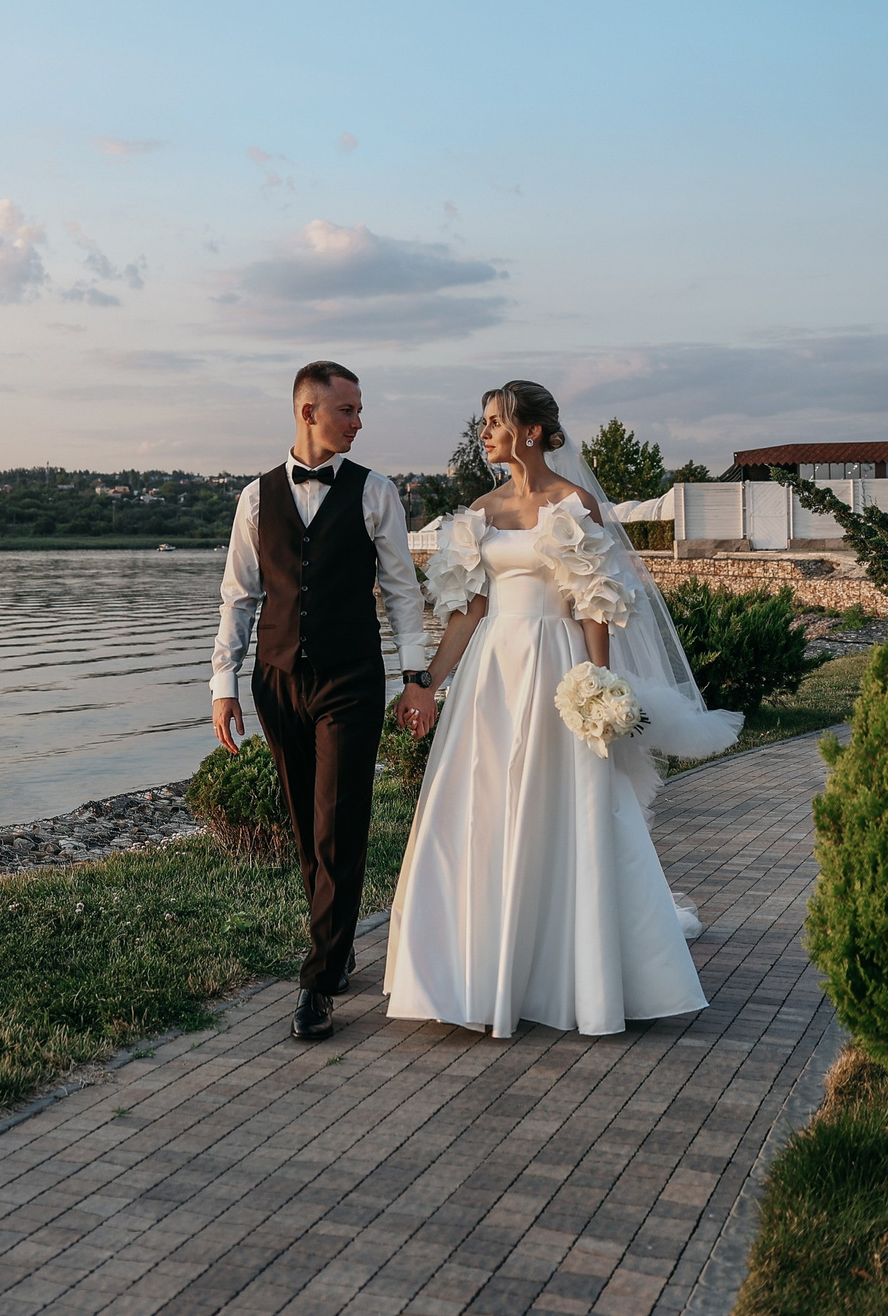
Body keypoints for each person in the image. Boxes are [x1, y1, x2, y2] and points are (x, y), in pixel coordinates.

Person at [383, 381, 741, 1039]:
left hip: (558, 665)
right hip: (492, 672)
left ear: (529, 430)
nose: (485, 432)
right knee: (481, 808)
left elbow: (594, 601)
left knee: (566, 807)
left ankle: (575, 971)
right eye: (484, 421)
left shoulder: (573, 504)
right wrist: (427, 682)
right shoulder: (480, 510)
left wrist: (598, 685)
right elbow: (470, 609)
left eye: (494, 421)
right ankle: (473, 971)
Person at [211, 360, 432, 1043]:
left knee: (340, 820)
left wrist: (415, 674)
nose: (359, 421)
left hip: (350, 679)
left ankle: (316, 981)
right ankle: (335, 954)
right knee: (309, 826)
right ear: (308, 411)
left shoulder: (376, 493)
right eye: (348, 410)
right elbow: (239, 597)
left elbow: (400, 589)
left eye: (359, 409)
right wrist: (224, 683)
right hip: (277, 681)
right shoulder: (255, 498)